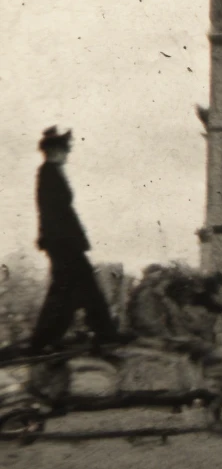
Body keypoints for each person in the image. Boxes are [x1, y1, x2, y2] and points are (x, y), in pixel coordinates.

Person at [28, 127, 131, 353]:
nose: (67, 154)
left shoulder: (50, 172)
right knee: (77, 288)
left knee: (69, 291)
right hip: (63, 243)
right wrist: (69, 242)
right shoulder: (48, 173)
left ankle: (46, 339)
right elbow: (54, 212)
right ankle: (102, 333)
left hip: (63, 242)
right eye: (65, 149)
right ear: (54, 151)